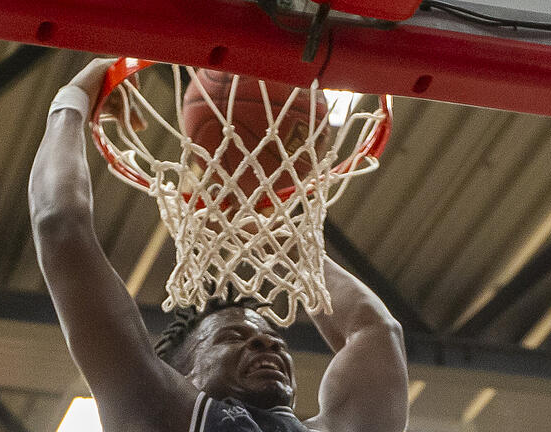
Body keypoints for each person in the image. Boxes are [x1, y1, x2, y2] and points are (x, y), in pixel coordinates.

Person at [28, 58, 408, 432]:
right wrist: (72, 99)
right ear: (184, 374)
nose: (265, 342)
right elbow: (60, 224)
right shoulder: (155, 409)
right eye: (232, 337)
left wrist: (280, 239)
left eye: (273, 338)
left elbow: (378, 331)